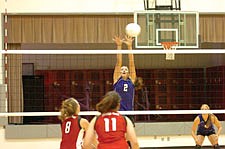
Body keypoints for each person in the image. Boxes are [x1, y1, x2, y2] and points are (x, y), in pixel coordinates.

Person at [113, 35, 137, 112]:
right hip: (118, 111)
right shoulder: (117, 79)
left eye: (126, 69)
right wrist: (119, 45)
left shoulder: (132, 80)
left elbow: (131, 63)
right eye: (122, 69)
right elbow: (118, 62)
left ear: (128, 72)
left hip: (129, 111)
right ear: (119, 72)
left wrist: (129, 46)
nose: (123, 70)